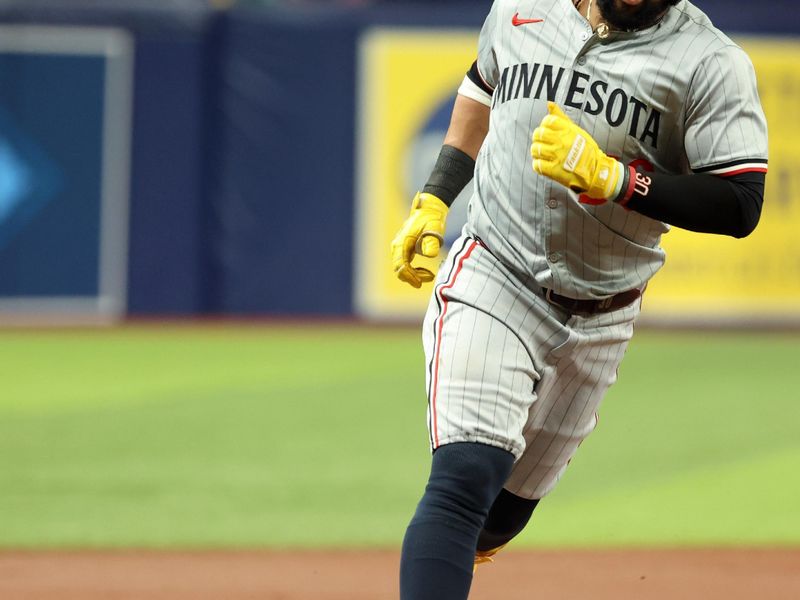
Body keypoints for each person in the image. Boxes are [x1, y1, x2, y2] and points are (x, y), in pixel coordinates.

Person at [389, 0, 768, 598]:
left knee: (500, 517)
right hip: (497, 273)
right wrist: (436, 196)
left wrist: (617, 179)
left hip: (604, 311)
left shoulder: (710, 60)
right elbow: (481, 83)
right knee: (466, 476)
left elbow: (741, 201)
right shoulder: (521, 7)